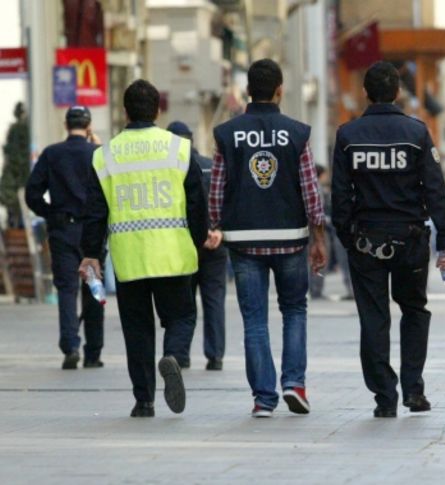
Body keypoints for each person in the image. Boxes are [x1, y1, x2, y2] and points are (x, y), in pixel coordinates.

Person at [331, 61, 445, 418]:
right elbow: (435, 189)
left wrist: (347, 235)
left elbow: (341, 196)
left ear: (365, 93)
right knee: (414, 310)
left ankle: (385, 397)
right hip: (411, 240)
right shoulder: (416, 133)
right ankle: (413, 390)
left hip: (365, 240)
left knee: (374, 317)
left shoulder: (348, 135)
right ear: (398, 92)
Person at [79, 80, 208, 417]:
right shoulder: (178, 149)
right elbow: (197, 203)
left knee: (137, 330)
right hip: (173, 255)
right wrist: (199, 241)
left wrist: (91, 253)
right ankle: (175, 356)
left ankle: (144, 401)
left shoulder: (105, 155)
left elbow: (95, 212)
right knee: (181, 316)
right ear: (158, 110)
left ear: (124, 112)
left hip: (129, 258)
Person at [206, 59, 327, 418]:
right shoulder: (297, 132)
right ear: (280, 90)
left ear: (247, 91)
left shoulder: (227, 134)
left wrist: (216, 224)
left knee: (254, 319)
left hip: (244, 241)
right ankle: (294, 384)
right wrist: (318, 236)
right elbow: (310, 191)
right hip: (290, 238)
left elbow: (216, 190)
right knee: (294, 310)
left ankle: (263, 398)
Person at [24, 106, 105, 369]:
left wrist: (51, 214)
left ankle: (70, 346)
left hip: (63, 232)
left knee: (67, 290)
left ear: (65, 124)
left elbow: (32, 194)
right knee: (93, 290)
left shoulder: (52, 154)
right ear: (89, 125)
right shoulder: (97, 154)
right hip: (91, 233)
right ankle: (93, 352)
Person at [167, 121, 227, 371]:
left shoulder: (169, 170)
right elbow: (226, 199)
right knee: (214, 301)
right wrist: (219, 231)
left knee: (183, 302)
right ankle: (215, 356)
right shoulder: (211, 167)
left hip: (185, 244)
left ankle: (180, 355)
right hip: (215, 245)